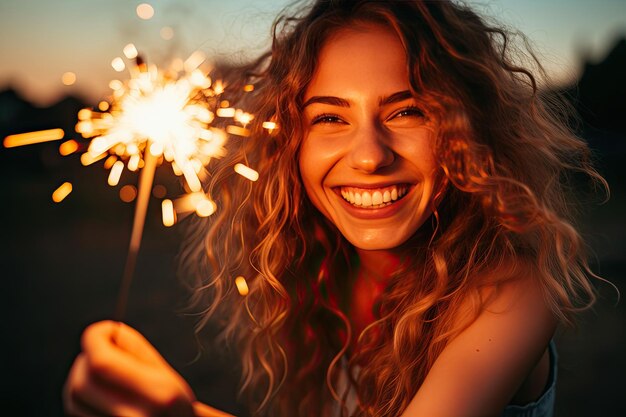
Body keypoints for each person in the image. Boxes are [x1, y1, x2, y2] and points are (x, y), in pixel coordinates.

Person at [63, 1, 608, 416]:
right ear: (289, 145)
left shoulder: (512, 291)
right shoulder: (315, 276)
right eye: (329, 118)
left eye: (408, 111)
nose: (370, 156)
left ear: (468, 133)